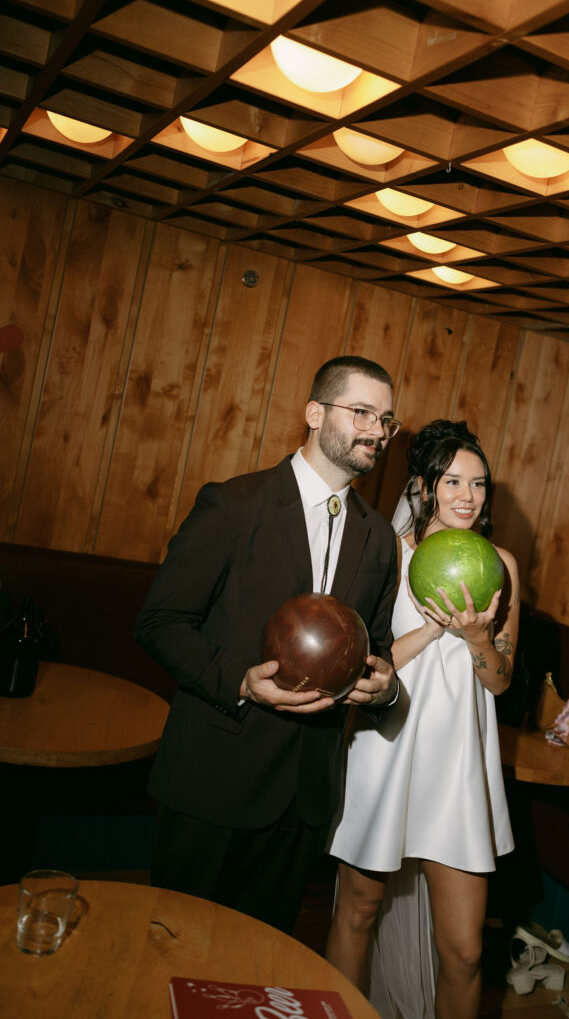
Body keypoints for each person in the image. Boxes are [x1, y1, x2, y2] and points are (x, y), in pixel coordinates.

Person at [135, 356, 401, 933]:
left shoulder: (380, 539)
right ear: (314, 413)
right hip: (214, 778)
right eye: (362, 413)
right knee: (172, 952)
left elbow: (374, 649)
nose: (377, 431)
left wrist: (383, 690)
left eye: (386, 420)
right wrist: (240, 681)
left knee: (261, 965)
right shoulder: (234, 504)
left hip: (305, 797)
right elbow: (160, 622)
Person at [326, 419, 519, 1019]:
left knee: (464, 951)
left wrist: (478, 637)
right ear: (424, 486)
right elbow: (358, 661)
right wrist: (433, 629)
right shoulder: (388, 551)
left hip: (458, 761)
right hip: (387, 746)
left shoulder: (501, 565)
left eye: (479, 483)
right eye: (452, 481)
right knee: (358, 912)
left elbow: (500, 680)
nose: (468, 496)